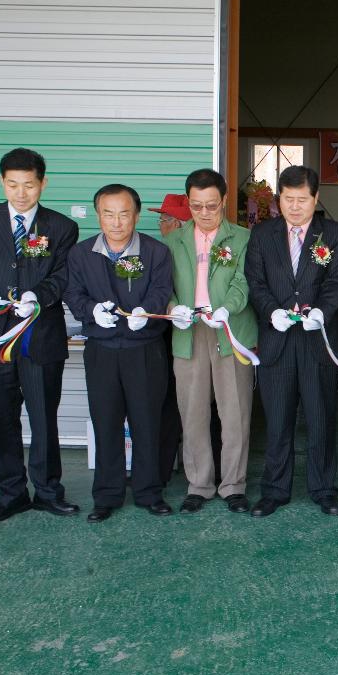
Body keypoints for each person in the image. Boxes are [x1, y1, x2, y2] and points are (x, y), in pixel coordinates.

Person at [0, 148, 81, 523]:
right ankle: (10, 493)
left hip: (40, 336)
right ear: (2, 182)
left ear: (43, 183)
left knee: (44, 417)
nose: (21, 193)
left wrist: (36, 297)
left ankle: (47, 491)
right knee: (0, 417)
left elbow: (62, 276)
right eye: (13, 184)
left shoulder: (61, 227)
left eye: (29, 185)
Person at [244, 166, 338, 517]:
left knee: (321, 417)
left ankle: (323, 489)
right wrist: (271, 310)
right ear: (279, 199)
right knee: (277, 420)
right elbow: (255, 282)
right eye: (287, 199)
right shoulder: (262, 235)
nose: (294, 207)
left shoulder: (333, 233)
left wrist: (322, 311)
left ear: (315, 198)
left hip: (316, 338)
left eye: (301, 200)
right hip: (277, 340)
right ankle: (275, 490)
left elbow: (336, 281)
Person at [65, 184, 175, 522]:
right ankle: (107, 495)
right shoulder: (81, 254)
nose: (116, 222)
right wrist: (89, 311)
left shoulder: (156, 252)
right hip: (102, 350)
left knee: (147, 422)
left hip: (144, 350)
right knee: (106, 422)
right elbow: (72, 292)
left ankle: (148, 492)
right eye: (108, 214)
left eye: (123, 213)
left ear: (136, 215)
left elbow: (162, 289)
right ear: (98, 215)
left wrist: (148, 311)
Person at [163, 169, 256, 515]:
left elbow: (244, 283)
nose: (204, 213)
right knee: (193, 411)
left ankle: (233, 484)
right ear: (188, 202)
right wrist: (173, 308)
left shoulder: (243, 239)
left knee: (235, 413)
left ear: (224, 201)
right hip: (188, 334)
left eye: (212, 206)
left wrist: (226, 310)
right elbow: (163, 288)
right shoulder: (174, 241)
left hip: (229, 332)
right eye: (197, 206)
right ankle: (199, 484)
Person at [147, 193, 188, 488]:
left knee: (172, 406)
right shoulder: (159, 250)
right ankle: (161, 470)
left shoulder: (174, 251)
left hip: (181, 341)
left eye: (163, 219)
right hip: (162, 339)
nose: (160, 224)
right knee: (165, 407)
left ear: (178, 223)